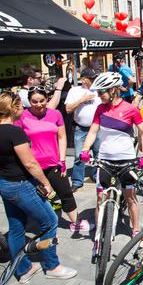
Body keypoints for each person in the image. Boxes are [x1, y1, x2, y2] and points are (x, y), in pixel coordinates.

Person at [0, 92, 77, 282]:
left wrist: (7, 167)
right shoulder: (14, 132)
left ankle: (23, 269)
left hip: (3, 182)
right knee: (50, 220)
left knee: (16, 227)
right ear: (15, 108)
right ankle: (52, 266)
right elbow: (30, 164)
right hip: (20, 184)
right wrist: (45, 183)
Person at [80, 72, 143, 236]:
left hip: (126, 161)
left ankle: (136, 230)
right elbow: (92, 132)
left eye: (101, 92)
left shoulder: (130, 109)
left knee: (130, 197)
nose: (98, 95)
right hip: (104, 160)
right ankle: (98, 234)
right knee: (99, 200)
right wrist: (85, 149)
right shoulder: (100, 109)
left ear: (112, 90)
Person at [15, 86, 90, 233]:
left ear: (47, 99)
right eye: (34, 102)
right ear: (29, 101)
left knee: (66, 193)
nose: (38, 105)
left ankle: (76, 223)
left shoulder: (55, 114)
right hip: (32, 166)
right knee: (32, 199)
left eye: (42, 100)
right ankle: (27, 227)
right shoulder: (22, 116)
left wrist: (62, 160)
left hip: (54, 163)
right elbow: (16, 140)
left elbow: (62, 137)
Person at [65, 68, 101, 191]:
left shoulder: (98, 90)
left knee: (99, 154)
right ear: (83, 79)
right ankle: (77, 181)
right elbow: (68, 109)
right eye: (91, 78)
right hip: (81, 128)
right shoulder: (74, 91)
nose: (93, 80)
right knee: (79, 155)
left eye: (94, 78)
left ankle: (97, 176)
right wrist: (82, 100)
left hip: (97, 128)